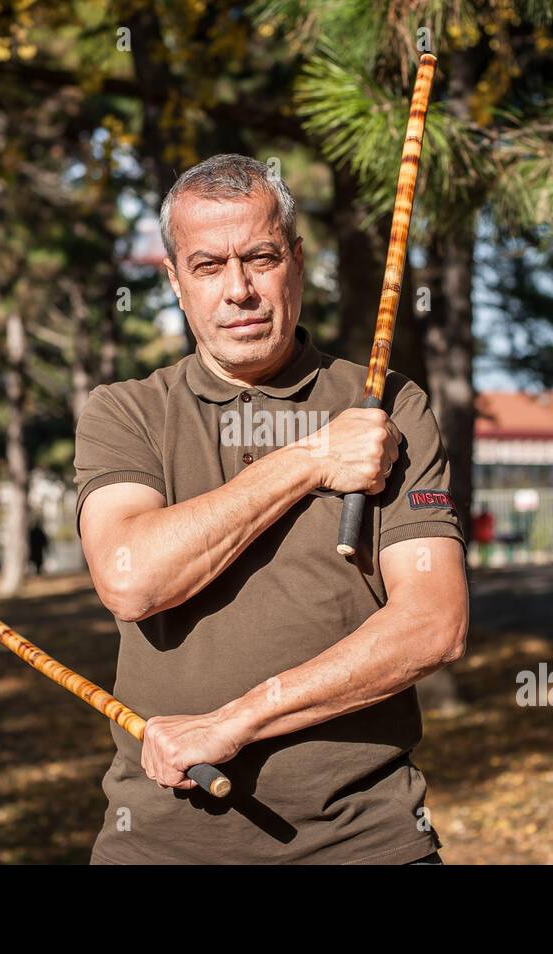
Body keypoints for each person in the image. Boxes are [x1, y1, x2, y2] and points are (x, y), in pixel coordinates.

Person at [75, 153, 468, 865]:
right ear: (175, 282)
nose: (239, 290)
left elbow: (434, 624)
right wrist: (312, 459)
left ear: (297, 260)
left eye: (261, 258)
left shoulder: (388, 404)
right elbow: (131, 580)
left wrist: (237, 721)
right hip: (160, 847)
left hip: (363, 843)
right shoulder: (126, 412)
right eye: (207, 266)